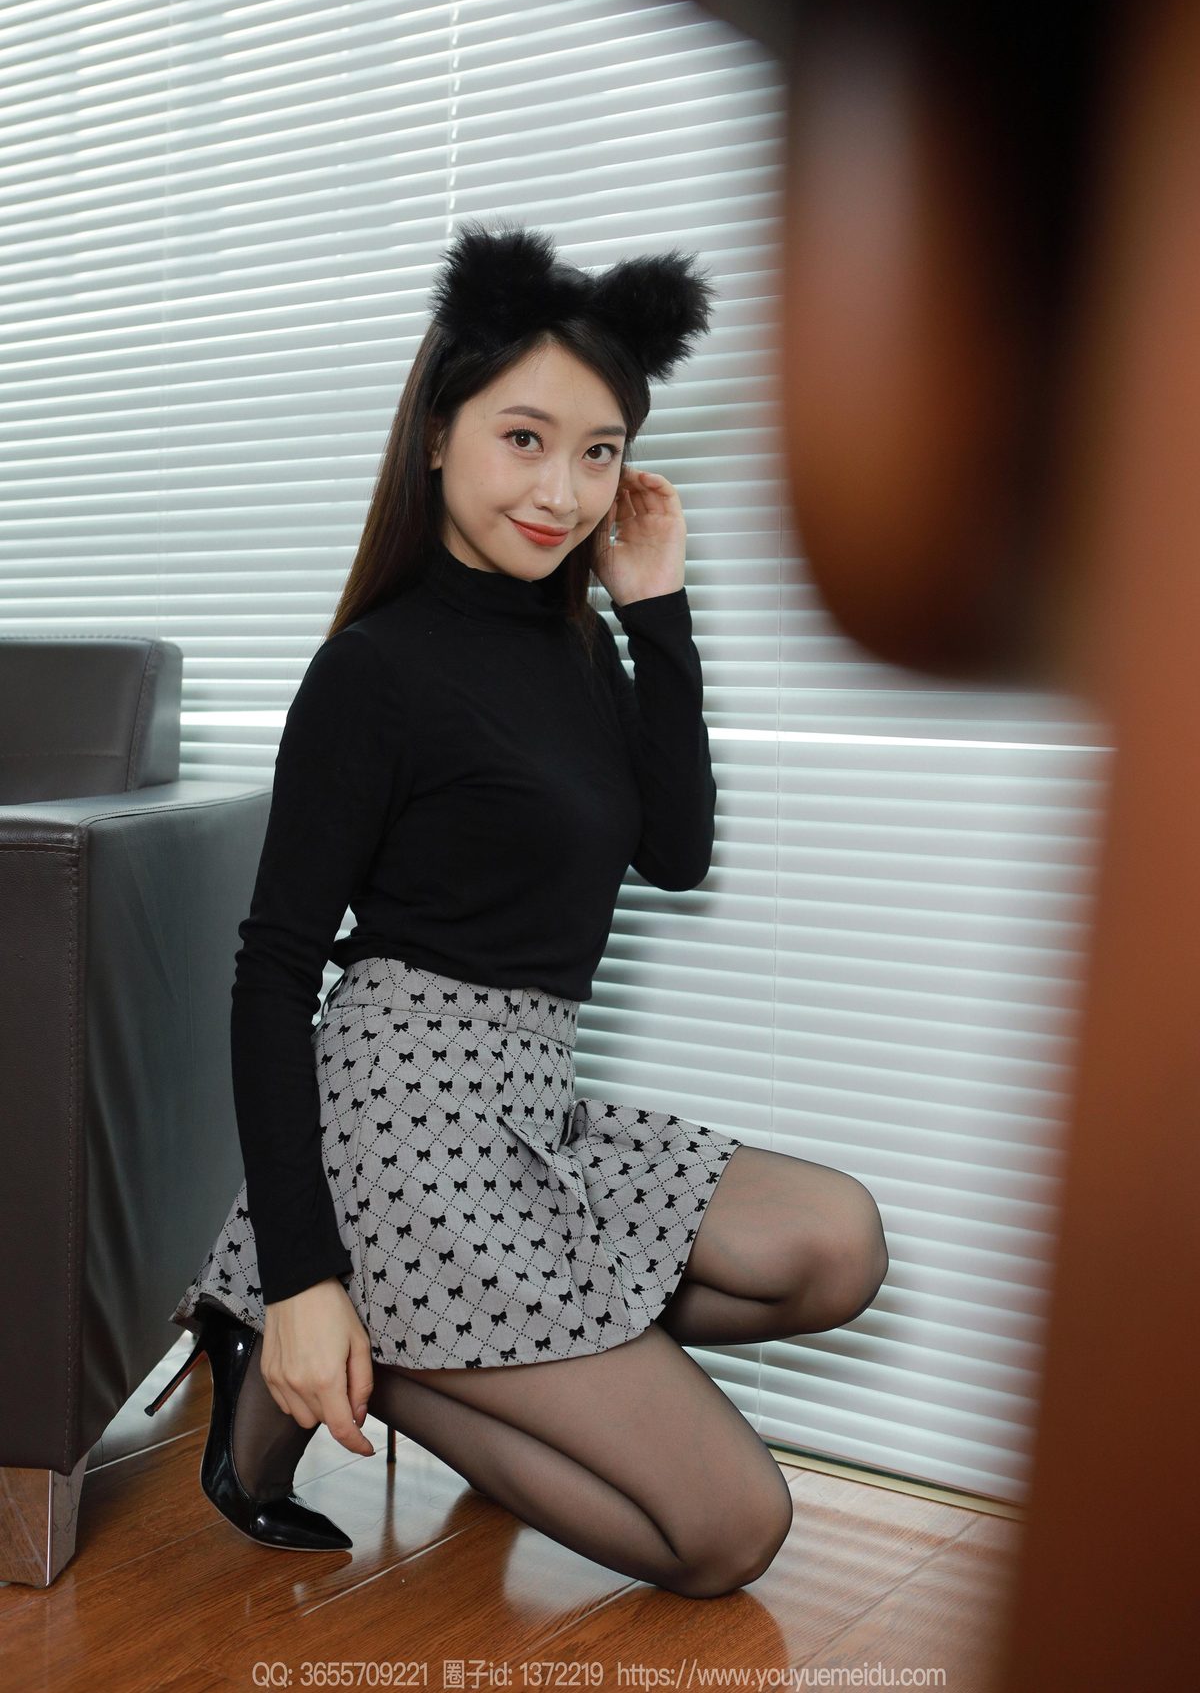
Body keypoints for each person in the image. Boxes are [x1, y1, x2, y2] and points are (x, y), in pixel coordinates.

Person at [144, 219, 889, 1598]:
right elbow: (271, 976)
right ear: (439, 434)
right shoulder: (373, 673)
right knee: (730, 1530)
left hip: (531, 1100)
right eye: (525, 439)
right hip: (402, 1112)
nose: (561, 491)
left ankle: (387, 1331)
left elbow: (677, 851)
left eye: (599, 452)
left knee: (834, 1243)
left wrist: (656, 608)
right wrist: (304, 1278)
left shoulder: (583, 646)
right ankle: (328, 1332)